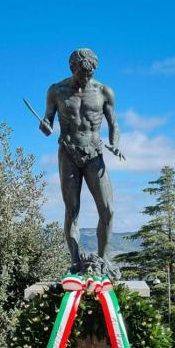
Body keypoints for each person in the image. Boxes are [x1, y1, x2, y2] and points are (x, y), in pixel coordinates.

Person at [38, 48, 123, 276]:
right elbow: (47, 120)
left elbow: (114, 123)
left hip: (95, 153)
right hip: (68, 153)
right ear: (72, 68)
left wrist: (115, 143)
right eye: (81, 73)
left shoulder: (104, 91)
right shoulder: (56, 90)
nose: (85, 78)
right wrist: (45, 126)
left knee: (108, 210)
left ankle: (103, 261)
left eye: (89, 73)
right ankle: (75, 262)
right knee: (72, 210)